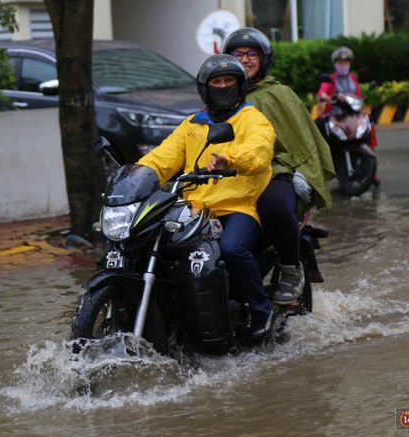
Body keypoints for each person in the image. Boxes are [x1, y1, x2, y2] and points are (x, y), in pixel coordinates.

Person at [137, 54, 277, 341]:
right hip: (193, 210)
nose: (223, 86)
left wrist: (230, 158)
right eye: (217, 82)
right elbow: (162, 158)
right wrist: (136, 174)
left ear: (240, 87)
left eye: (229, 81)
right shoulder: (192, 125)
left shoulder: (253, 119)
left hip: (238, 206)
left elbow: (259, 152)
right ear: (206, 88)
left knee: (231, 248)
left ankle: (261, 310)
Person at [222, 27, 335, 304]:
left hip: (276, 171)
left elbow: (302, 141)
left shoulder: (279, 94)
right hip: (228, 175)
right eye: (238, 54)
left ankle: (289, 268)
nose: (245, 59)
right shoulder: (220, 94)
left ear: (263, 60)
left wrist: (304, 174)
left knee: (273, 206)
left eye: (252, 54)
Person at [316, 46, 381, 185]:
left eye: (346, 62)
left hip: (352, 115)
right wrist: (326, 96)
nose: (343, 65)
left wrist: (362, 104)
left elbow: (358, 95)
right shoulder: (330, 78)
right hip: (335, 116)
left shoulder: (352, 78)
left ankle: (374, 171)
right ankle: (324, 166)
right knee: (319, 130)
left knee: (369, 124)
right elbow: (322, 92)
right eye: (340, 62)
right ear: (335, 63)